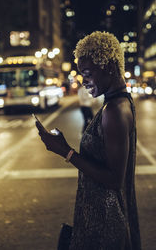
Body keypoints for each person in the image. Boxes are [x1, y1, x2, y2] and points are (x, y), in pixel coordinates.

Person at [36, 31, 141, 249]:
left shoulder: (115, 111)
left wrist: (66, 152)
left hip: (105, 224)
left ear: (110, 67)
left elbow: (114, 179)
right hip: (98, 218)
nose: (84, 81)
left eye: (87, 73)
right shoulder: (115, 104)